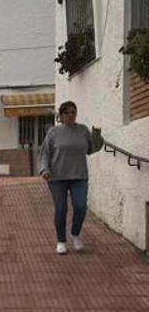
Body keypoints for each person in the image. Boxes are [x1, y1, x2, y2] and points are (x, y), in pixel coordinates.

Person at [37, 101, 104, 255]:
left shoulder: (82, 130)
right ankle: (61, 241)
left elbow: (92, 148)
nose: (70, 115)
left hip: (79, 176)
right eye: (66, 113)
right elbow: (44, 153)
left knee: (80, 206)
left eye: (73, 112)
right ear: (61, 116)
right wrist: (44, 169)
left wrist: (97, 136)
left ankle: (75, 234)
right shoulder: (54, 133)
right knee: (61, 209)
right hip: (57, 177)